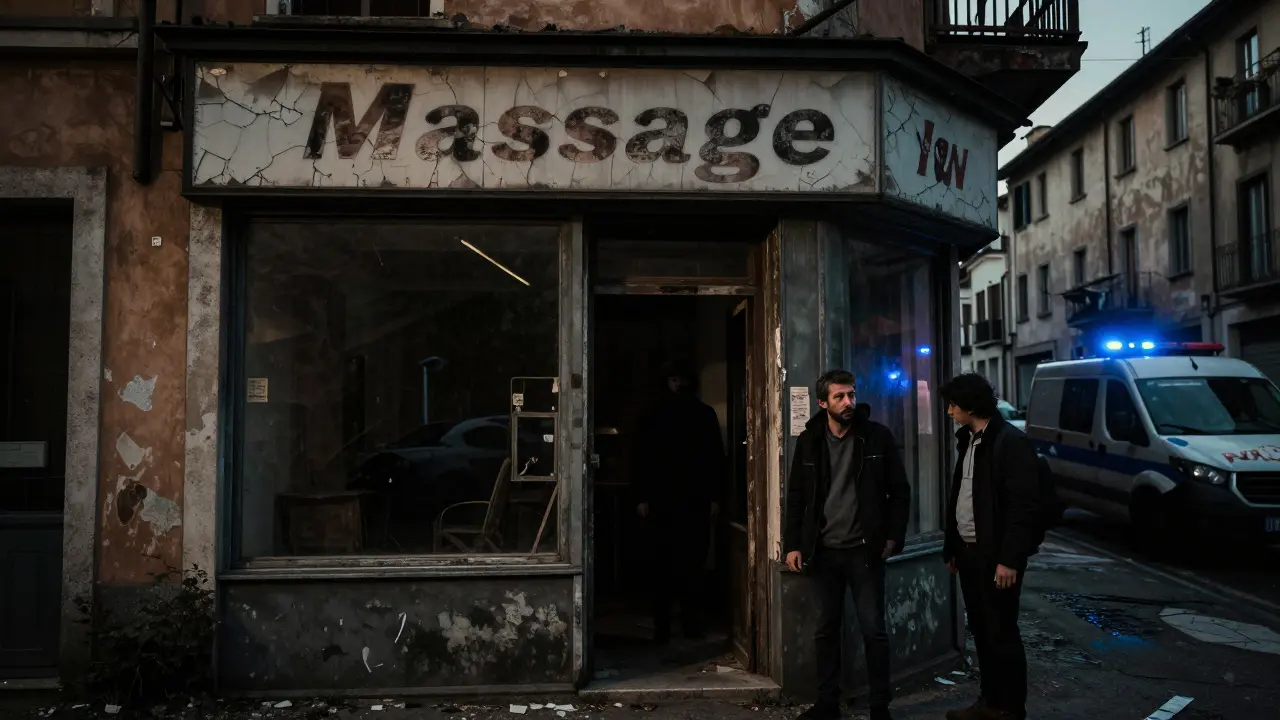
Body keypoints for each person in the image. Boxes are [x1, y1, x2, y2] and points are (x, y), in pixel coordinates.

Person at [784, 370, 910, 720]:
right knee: (826, 630)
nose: (848, 402)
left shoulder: (876, 437)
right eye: (839, 397)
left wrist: (892, 537)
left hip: (864, 551)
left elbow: (900, 492)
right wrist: (794, 543)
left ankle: (879, 707)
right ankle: (827, 704)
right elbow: (796, 497)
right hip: (823, 551)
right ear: (822, 402)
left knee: (874, 630)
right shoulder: (809, 441)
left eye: (851, 395)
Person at [941, 373, 1042, 720]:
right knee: (983, 632)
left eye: (953, 404)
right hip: (970, 554)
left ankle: (1010, 709)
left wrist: (1010, 559)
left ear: (969, 404)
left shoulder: (1010, 442)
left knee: (1001, 632)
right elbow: (963, 497)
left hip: (996, 558)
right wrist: (952, 547)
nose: (950, 411)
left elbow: (1023, 507)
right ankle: (989, 702)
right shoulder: (969, 440)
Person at [634, 360, 725, 644]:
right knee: (669, 565)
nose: (678, 385)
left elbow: (714, 458)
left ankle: (681, 624)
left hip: (686, 499)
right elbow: (640, 457)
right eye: (674, 379)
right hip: (670, 499)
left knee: (687, 565)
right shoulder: (659, 413)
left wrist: (714, 496)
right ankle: (671, 625)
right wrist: (642, 496)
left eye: (680, 379)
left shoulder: (696, 414)